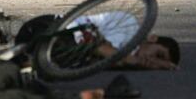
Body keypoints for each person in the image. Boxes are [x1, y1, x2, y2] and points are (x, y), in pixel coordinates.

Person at [15, 13, 180, 71]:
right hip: (51, 28)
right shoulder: (130, 26)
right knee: (93, 46)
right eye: (158, 54)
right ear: (152, 39)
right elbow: (102, 48)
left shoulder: (128, 63)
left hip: (55, 51)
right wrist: (136, 61)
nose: (151, 60)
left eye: (157, 61)